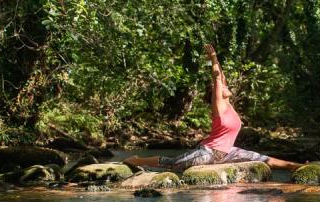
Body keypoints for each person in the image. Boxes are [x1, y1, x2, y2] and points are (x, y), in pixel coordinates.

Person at [124, 44, 303, 172]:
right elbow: (217, 78)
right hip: (208, 153)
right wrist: (213, 58)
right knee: (172, 163)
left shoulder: (229, 106)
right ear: (217, 92)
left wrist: (220, 69)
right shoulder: (219, 105)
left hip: (228, 153)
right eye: (224, 86)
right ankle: (136, 160)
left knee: (265, 159)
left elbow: (221, 77)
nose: (227, 85)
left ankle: (299, 166)